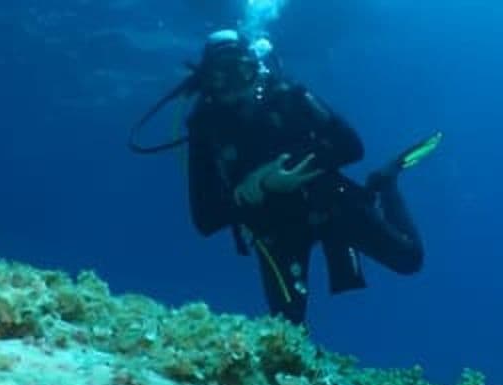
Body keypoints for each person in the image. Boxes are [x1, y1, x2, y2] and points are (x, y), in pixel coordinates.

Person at [129, 29, 441, 325]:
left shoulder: (291, 96)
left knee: (409, 260)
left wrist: (293, 170)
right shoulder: (205, 127)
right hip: (274, 228)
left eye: (241, 72)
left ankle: (386, 183)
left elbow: (351, 147)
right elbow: (205, 220)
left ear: (256, 68)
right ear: (206, 82)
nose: (235, 87)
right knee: (287, 325)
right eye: (220, 77)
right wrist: (259, 186)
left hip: (328, 202)